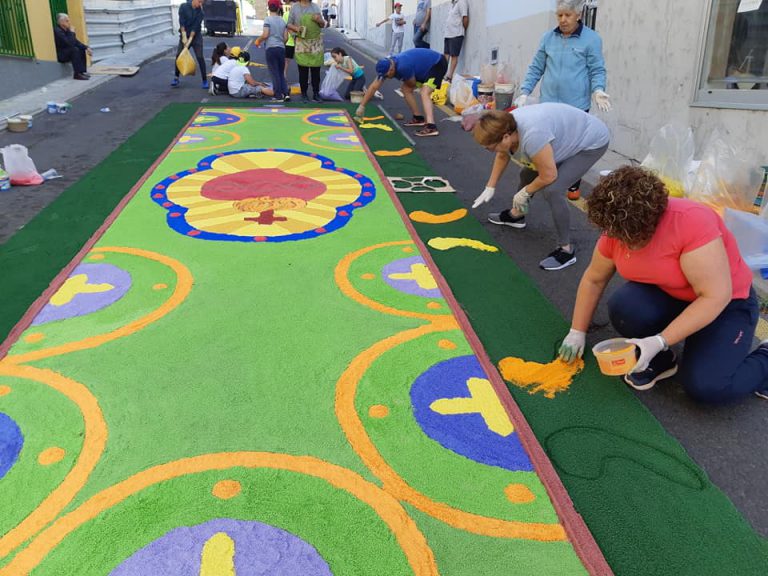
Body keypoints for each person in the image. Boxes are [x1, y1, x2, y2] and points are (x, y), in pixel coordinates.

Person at [557, 166, 768, 402]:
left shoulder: (691, 223)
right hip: (673, 295)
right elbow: (594, 279)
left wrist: (659, 339)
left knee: (708, 387)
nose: (627, 244)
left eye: (633, 237)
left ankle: (765, 358)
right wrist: (577, 331)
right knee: (626, 309)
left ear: (652, 220)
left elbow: (714, 297)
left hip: (726, 303)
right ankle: (661, 358)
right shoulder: (616, 228)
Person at [471, 105, 609, 271]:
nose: (489, 151)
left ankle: (566, 249)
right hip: (563, 133)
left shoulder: (533, 137)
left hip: (590, 142)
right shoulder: (505, 125)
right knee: (527, 174)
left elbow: (549, 175)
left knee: (554, 190)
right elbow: (502, 154)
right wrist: (490, 186)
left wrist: (525, 192)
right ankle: (517, 215)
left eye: (490, 147)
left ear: (506, 137)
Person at [516, 0, 610, 200]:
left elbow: (596, 69)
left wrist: (599, 89)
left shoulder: (592, 39)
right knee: (545, 151)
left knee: (570, 148)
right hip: (548, 106)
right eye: (559, 16)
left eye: (567, 15)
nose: (563, 20)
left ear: (578, 15)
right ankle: (532, 192)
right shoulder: (548, 38)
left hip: (575, 107)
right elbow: (536, 67)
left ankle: (567, 181)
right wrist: (525, 91)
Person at [356, 48, 448, 137]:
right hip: (426, 66)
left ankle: (431, 127)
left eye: (387, 75)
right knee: (405, 89)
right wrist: (361, 106)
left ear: (391, 69)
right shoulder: (388, 65)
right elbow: (373, 87)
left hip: (437, 64)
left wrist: (416, 83)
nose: (386, 78)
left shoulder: (403, 67)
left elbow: (412, 83)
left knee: (425, 92)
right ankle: (418, 118)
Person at [287, 0, 326, 103]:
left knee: (316, 71)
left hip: (315, 43)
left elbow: (323, 25)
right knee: (303, 71)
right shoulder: (295, 8)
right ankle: (304, 94)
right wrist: (297, 28)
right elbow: (289, 24)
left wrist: (319, 20)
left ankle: (316, 94)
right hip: (302, 43)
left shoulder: (315, 7)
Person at [256, 0, 290, 102]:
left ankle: (278, 96)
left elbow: (265, 34)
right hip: (281, 48)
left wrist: (258, 40)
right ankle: (286, 93)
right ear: (279, 7)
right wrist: (280, 43)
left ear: (268, 7)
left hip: (271, 48)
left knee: (274, 73)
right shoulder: (282, 21)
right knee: (280, 72)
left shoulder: (267, 20)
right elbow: (286, 37)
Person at [171, 0, 208, 89]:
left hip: (196, 36)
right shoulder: (183, 7)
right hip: (185, 33)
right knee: (179, 55)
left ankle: (205, 80)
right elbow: (181, 22)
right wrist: (184, 36)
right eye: (199, 2)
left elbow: (195, 27)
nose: (200, 5)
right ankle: (176, 78)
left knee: (200, 57)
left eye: (201, 3)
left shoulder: (201, 13)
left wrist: (190, 39)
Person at [53, 13, 92, 80]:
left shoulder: (67, 30)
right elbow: (69, 43)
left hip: (68, 52)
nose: (69, 23)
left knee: (80, 49)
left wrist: (86, 47)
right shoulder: (57, 31)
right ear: (61, 22)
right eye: (67, 21)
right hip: (61, 55)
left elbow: (76, 42)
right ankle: (77, 74)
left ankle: (81, 72)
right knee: (75, 49)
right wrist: (72, 32)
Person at [443, 0, 468, 82]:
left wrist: (462, 29)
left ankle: (449, 76)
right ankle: (442, 74)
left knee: (454, 55)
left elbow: (465, 18)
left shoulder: (462, 2)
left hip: (456, 34)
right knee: (446, 55)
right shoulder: (453, 4)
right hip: (448, 34)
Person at [283, 0, 297, 78]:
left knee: (302, 61)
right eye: (292, 4)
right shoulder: (286, 14)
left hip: (299, 42)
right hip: (289, 42)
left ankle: (306, 78)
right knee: (286, 61)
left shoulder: (301, 15)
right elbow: (285, 27)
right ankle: (284, 76)